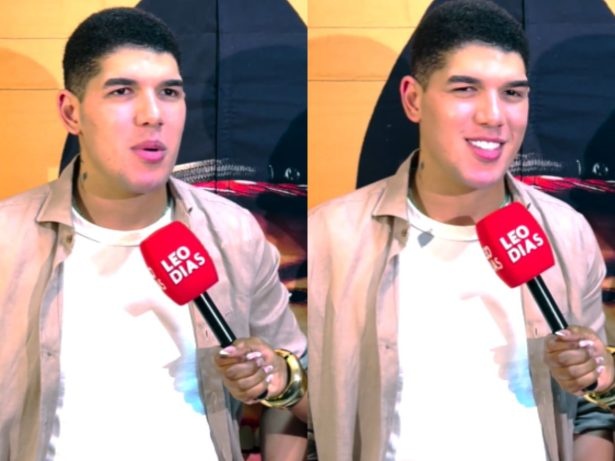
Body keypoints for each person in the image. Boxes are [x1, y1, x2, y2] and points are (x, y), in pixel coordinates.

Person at [307, 0, 615, 459]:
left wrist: (598, 375)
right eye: (466, 89)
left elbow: (591, 411)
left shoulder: (567, 234)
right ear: (413, 99)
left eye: (513, 93)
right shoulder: (331, 235)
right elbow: (305, 407)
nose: (494, 116)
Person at [0, 7, 307, 461]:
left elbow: (299, 393)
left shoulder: (233, 233)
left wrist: (279, 378)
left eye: (169, 92)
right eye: (122, 91)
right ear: (71, 111)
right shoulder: (9, 240)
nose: (153, 114)